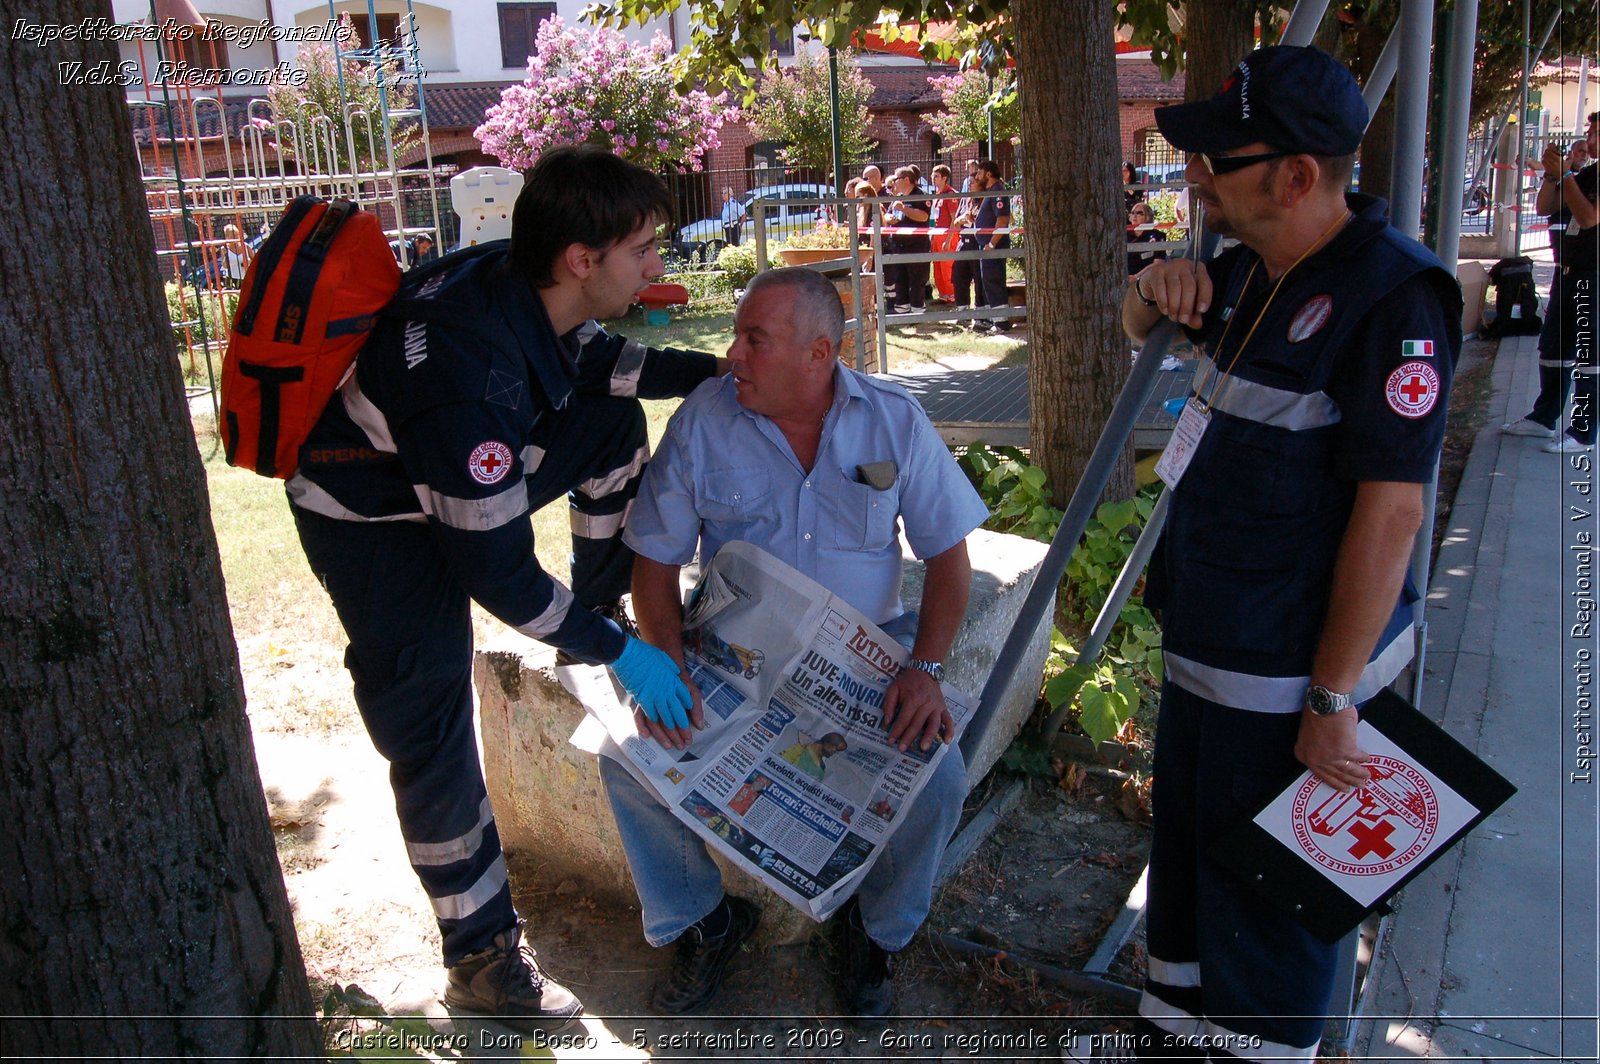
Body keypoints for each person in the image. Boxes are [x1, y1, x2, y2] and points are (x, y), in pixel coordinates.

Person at [286, 146, 725, 1032]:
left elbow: (602, 368)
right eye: (643, 250)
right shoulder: (465, 384)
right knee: (430, 714)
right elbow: (501, 580)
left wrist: (722, 373)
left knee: (607, 424)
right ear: (581, 259)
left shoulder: (518, 282)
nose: (657, 267)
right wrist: (622, 653)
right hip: (370, 517)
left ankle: (593, 607)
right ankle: (480, 954)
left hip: (444, 473)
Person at [1121, 46, 1461, 1060]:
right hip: (1210, 651)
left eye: (1221, 157)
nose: (1198, 176)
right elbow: (1138, 317)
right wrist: (1153, 283)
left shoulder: (1394, 298)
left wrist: (1330, 700)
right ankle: (1171, 1039)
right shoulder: (1248, 272)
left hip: (1286, 682)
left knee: (1269, 915)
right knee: (1186, 885)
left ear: (1296, 174)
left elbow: (1391, 513)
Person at [604, 267, 989, 1017]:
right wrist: (670, 668)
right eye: (737, 335)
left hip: (864, 660)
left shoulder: (893, 420)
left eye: (754, 339)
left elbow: (949, 558)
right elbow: (653, 566)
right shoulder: (704, 421)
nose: (732, 354)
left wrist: (926, 668)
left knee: (938, 779)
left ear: (820, 354)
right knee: (627, 757)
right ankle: (706, 922)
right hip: (730, 659)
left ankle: (875, 936)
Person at [1503, 112, 1597, 453]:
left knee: (1589, 354)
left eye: (1597, 133)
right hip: (1568, 272)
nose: (1590, 139)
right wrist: (1552, 175)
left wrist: (1567, 174)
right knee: (1555, 346)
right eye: (1590, 131)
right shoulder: (1587, 174)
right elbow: (1545, 206)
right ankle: (1544, 418)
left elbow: (1588, 218)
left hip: (1595, 277)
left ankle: (1583, 432)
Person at [971, 159, 1013, 333]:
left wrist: (991, 243)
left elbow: (1002, 220)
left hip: (993, 246)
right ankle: (993, 318)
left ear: (988, 174)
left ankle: (1001, 322)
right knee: (988, 280)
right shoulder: (990, 192)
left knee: (994, 280)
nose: (977, 176)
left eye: (979, 173)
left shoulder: (998, 192)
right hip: (985, 245)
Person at [884, 166, 932, 313]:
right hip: (898, 245)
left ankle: (917, 310)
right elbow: (887, 214)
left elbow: (923, 216)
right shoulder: (898, 197)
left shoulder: (921, 195)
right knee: (900, 278)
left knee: (917, 280)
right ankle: (902, 308)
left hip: (917, 246)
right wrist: (889, 218)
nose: (893, 183)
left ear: (906, 179)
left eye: (896, 179)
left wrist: (904, 209)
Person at [930, 164, 961, 302]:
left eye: (936, 176)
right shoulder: (937, 195)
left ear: (945, 178)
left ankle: (952, 294)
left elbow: (954, 218)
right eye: (932, 175)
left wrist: (948, 239)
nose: (933, 178)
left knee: (947, 266)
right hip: (937, 234)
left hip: (948, 234)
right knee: (937, 266)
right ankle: (943, 294)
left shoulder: (950, 195)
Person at [1125, 202, 1166, 280]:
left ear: (1147, 217)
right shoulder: (1124, 235)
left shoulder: (1157, 236)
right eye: (1132, 213)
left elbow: (1158, 264)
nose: (1134, 215)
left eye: (1139, 213)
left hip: (1148, 280)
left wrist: (1136, 277)